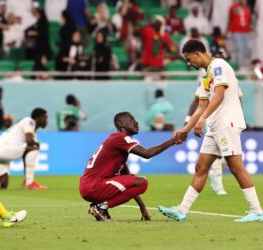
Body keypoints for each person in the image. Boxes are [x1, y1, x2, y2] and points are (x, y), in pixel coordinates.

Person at [158, 39, 263, 222]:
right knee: (201, 167)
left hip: (227, 123)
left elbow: (220, 94)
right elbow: (201, 106)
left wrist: (204, 119)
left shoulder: (218, 65)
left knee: (236, 167)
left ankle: (257, 211)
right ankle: (182, 210)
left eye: (190, 59)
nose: (189, 64)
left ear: (198, 53)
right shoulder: (206, 75)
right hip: (215, 126)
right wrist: (184, 130)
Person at [79, 112, 187, 221]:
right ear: (121, 124)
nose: (136, 123)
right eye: (132, 120)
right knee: (143, 182)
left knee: (139, 183)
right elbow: (147, 153)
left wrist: (142, 206)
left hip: (91, 187)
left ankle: (101, 209)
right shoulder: (120, 138)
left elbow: (131, 184)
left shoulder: (117, 146)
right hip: (94, 186)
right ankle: (100, 207)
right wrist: (173, 140)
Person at [0, 108, 48, 190]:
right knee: (34, 148)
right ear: (38, 117)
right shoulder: (30, 121)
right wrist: (36, 144)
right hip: (4, 148)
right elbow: (29, 141)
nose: (46, 120)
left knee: (2, 184)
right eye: (45, 117)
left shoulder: (30, 130)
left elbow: (27, 152)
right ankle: (30, 182)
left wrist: (26, 176)